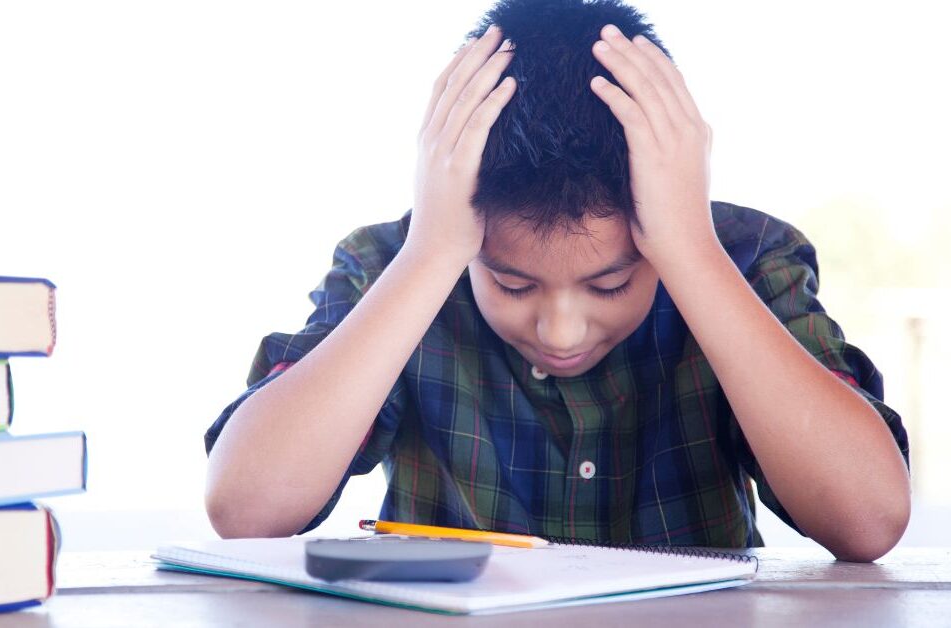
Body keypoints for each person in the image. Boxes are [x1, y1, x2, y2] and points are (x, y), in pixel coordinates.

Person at [204, 0, 910, 561]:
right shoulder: (402, 262)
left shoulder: (742, 258)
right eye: (511, 285)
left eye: (609, 286)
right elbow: (246, 507)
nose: (561, 331)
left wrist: (689, 249)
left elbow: (869, 520)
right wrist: (430, 255)